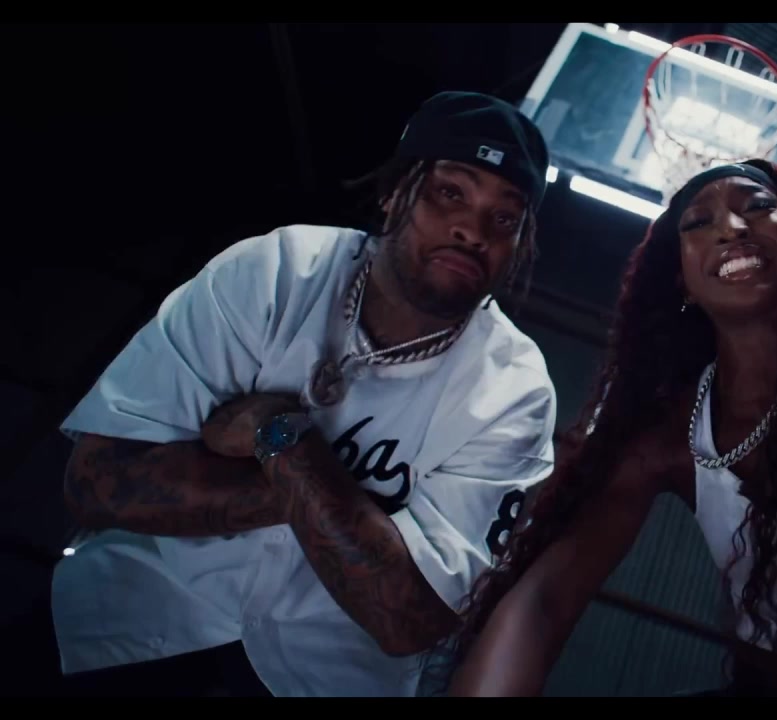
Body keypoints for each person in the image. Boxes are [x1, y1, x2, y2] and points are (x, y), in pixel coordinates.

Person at [50, 91, 558, 697]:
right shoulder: (277, 270)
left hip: (321, 680)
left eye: (504, 219)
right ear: (394, 191)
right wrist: (362, 518)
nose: (471, 230)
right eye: (450, 192)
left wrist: (280, 436)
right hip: (129, 623)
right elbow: (97, 479)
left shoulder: (515, 390)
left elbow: (411, 619)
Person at [441, 159, 777, 697]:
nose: (731, 227)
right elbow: (543, 600)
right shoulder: (671, 427)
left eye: (756, 206)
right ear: (683, 280)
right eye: (698, 223)